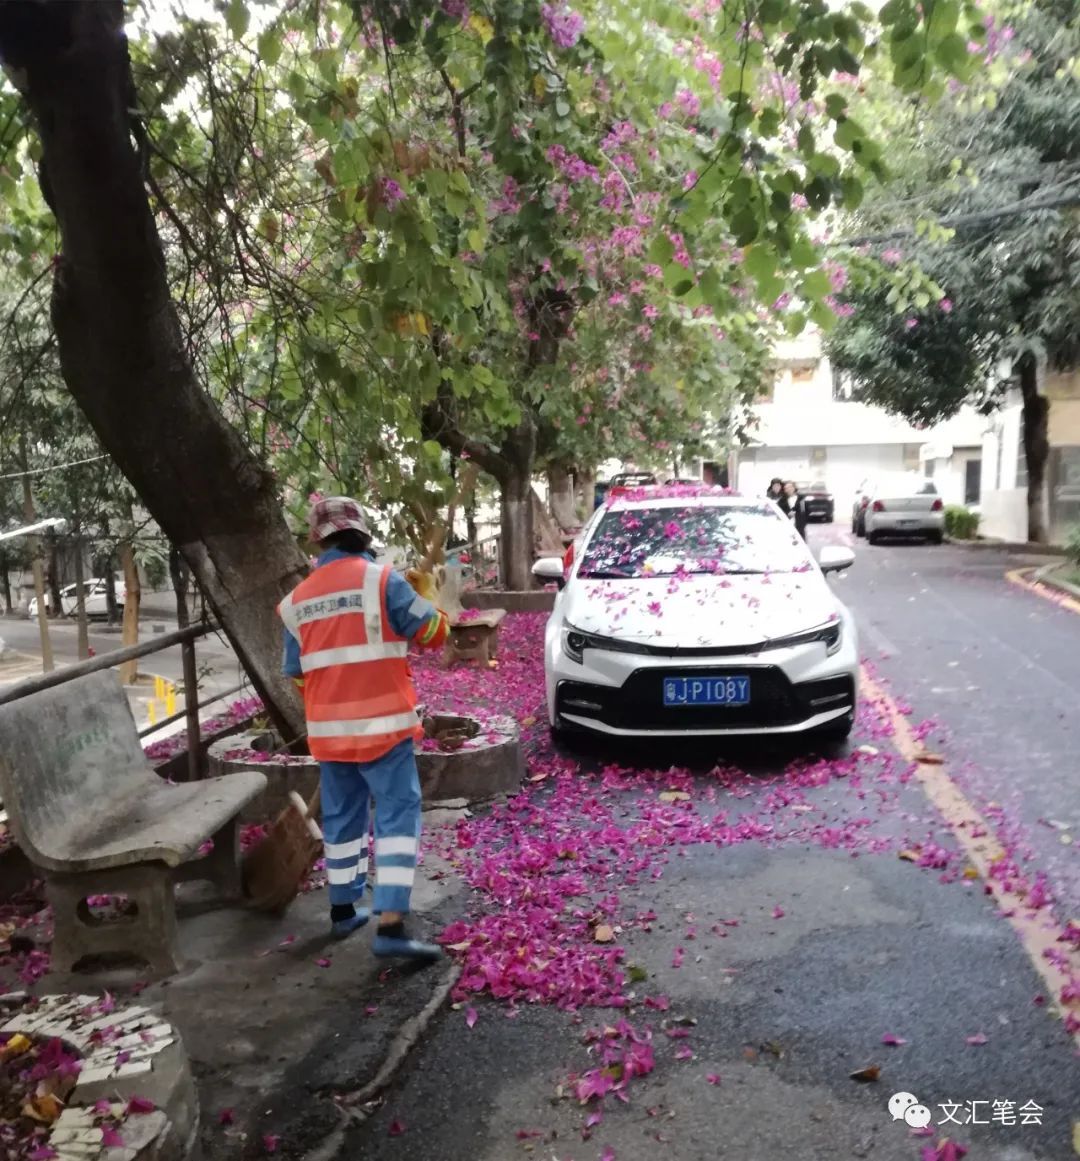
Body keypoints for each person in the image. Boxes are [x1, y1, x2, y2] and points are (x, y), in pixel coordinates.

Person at [278, 497, 450, 959]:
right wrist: (428, 594)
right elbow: (435, 634)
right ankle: (391, 926)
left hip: (330, 735)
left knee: (342, 818)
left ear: (317, 539)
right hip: (385, 731)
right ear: (362, 533)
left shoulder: (295, 602)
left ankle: (341, 912)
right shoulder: (383, 582)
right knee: (396, 817)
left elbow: (296, 671)